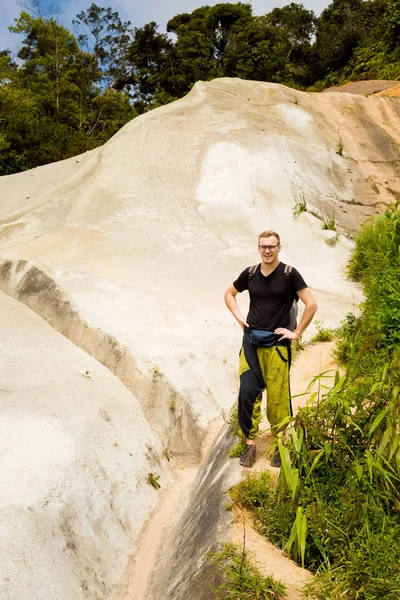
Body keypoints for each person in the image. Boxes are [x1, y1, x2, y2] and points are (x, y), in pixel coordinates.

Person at [224, 230, 318, 468]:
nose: (267, 250)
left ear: (279, 248)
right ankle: (250, 444)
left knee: (277, 398)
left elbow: (312, 304)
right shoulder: (250, 273)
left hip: (277, 345)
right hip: (251, 342)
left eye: (271, 246)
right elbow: (229, 294)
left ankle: (280, 442)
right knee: (247, 391)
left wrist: (296, 333)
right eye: (263, 246)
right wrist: (238, 317)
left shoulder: (289, 274)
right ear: (258, 248)